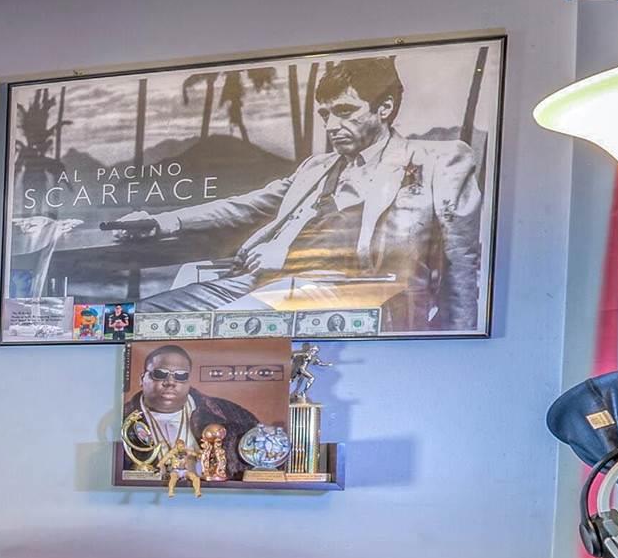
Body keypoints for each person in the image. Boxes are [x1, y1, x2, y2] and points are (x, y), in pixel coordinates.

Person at [101, 57, 483, 330]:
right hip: (261, 284)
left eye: (346, 111)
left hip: (348, 296)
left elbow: (462, 259)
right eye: (325, 114)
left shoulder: (437, 161)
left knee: (219, 332)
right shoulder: (316, 169)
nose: (333, 125)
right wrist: (162, 220)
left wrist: (459, 338)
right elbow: (245, 205)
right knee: (136, 319)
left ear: (384, 107)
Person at [121, 345, 259, 474]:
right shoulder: (121, 419)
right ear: (142, 379)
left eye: (181, 375)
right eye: (160, 374)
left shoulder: (232, 416)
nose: (170, 382)